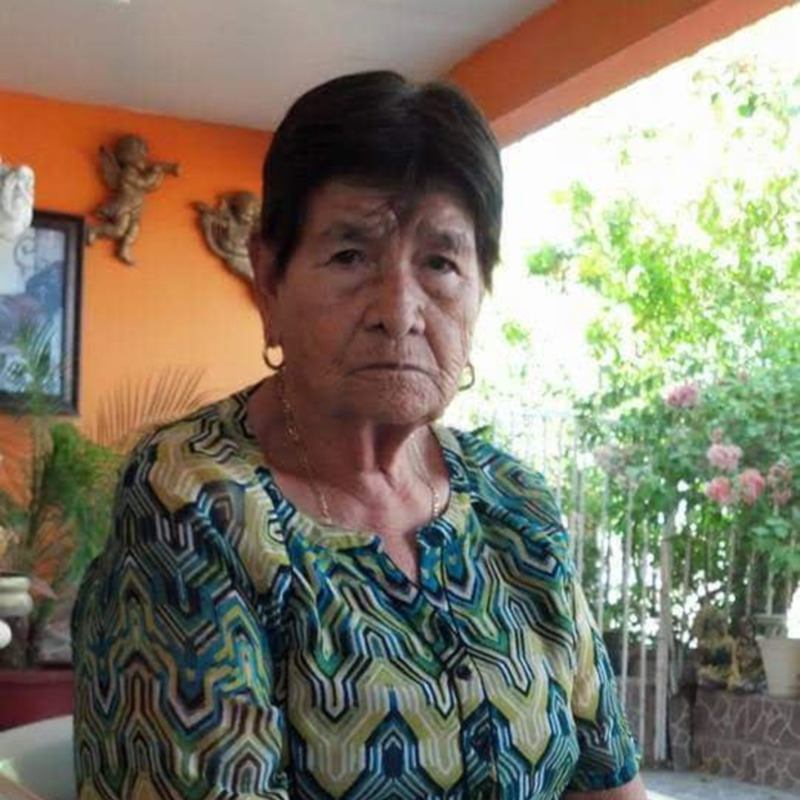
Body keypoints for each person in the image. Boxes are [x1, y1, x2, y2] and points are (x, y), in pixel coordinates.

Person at [72, 71, 645, 800]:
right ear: (269, 281)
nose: (398, 311)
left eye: (440, 262)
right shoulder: (193, 500)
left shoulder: (515, 505)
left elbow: (608, 781)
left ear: (480, 288)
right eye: (350, 257)